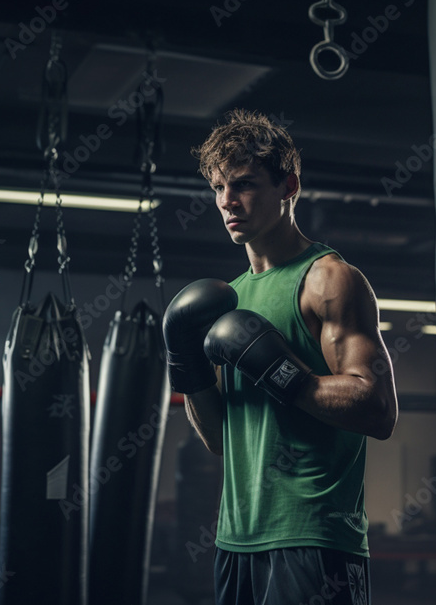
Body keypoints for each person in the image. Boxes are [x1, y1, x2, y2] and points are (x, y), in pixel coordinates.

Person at [163, 109, 399, 605]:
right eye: (218, 187)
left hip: (313, 538)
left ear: (288, 185)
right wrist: (189, 369)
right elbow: (220, 441)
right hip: (236, 540)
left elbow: (377, 408)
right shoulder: (227, 298)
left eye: (244, 184)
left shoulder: (328, 280)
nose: (228, 201)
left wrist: (289, 374)